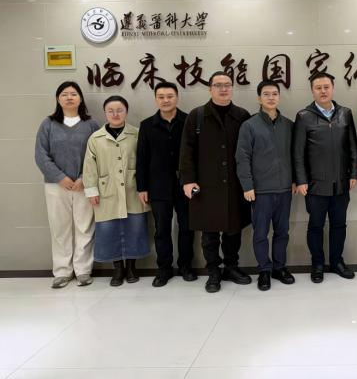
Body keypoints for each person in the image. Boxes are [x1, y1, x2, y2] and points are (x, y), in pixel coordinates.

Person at [179, 71, 252, 293]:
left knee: (233, 229)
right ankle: (213, 271)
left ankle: (231, 267)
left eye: (227, 84)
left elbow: (250, 150)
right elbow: (187, 151)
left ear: (232, 88)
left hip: (235, 183)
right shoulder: (197, 115)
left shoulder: (242, 115)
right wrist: (188, 180)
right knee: (209, 232)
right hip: (206, 184)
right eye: (218, 85)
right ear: (210, 88)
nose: (223, 89)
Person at [294, 72, 357, 284]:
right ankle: (318, 264)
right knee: (316, 226)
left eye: (326, 87)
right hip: (315, 185)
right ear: (312, 91)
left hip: (341, 182)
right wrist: (301, 180)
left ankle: (337, 262)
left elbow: (353, 146)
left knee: (339, 225)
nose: (323, 91)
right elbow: (298, 152)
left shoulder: (345, 113)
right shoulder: (304, 116)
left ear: (332, 88)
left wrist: (354, 173)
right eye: (318, 88)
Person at [35, 81, 100, 288]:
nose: (69, 97)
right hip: (56, 185)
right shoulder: (48, 124)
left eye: (73, 94)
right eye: (64, 94)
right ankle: (62, 271)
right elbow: (41, 155)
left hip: (84, 185)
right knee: (60, 228)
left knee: (84, 227)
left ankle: (83, 270)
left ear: (80, 98)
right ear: (58, 99)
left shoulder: (91, 125)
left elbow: (97, 154)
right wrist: (59, 177)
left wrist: (83, 178)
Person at [83, 96, 150, 286]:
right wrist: (91, 190)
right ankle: (117, 269)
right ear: (105, 113)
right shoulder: (95, 138)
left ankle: (131, 268)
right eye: (110, 111)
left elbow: (145, 161)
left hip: (133, 189)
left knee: (135, 228)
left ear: (126, 112)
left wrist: (146, 186)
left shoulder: (137, 134)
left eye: (119, 110)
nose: (115, 114)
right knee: (108, 229)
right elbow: (89, 166)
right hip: (106, 191)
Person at [236, 80, 296, 291]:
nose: (271, 97)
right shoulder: (249, 125)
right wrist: (247, 186)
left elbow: (295, 155)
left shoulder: (289, 125)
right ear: (259, 98)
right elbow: (242, 157)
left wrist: (295, 179)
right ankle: (264, 270)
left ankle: (279, 267)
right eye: (266, 94)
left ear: (279, 96)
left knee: (282, 231)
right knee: (260, 233)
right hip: (260, 190)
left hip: (285, 189)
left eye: (275, 94)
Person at [136, 81, 197, 287]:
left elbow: (196, 154)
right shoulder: (147, 125)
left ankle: (186, 266)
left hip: (185, 185)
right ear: (156, 99)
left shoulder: (188, 121)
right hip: (158, 186)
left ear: (177, 97)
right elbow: (142, 158)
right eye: (161, 97)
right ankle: (164, 268)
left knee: (187, 228)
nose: (165, 100)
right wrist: (142, 187)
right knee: (161, 230)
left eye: (169, 96)